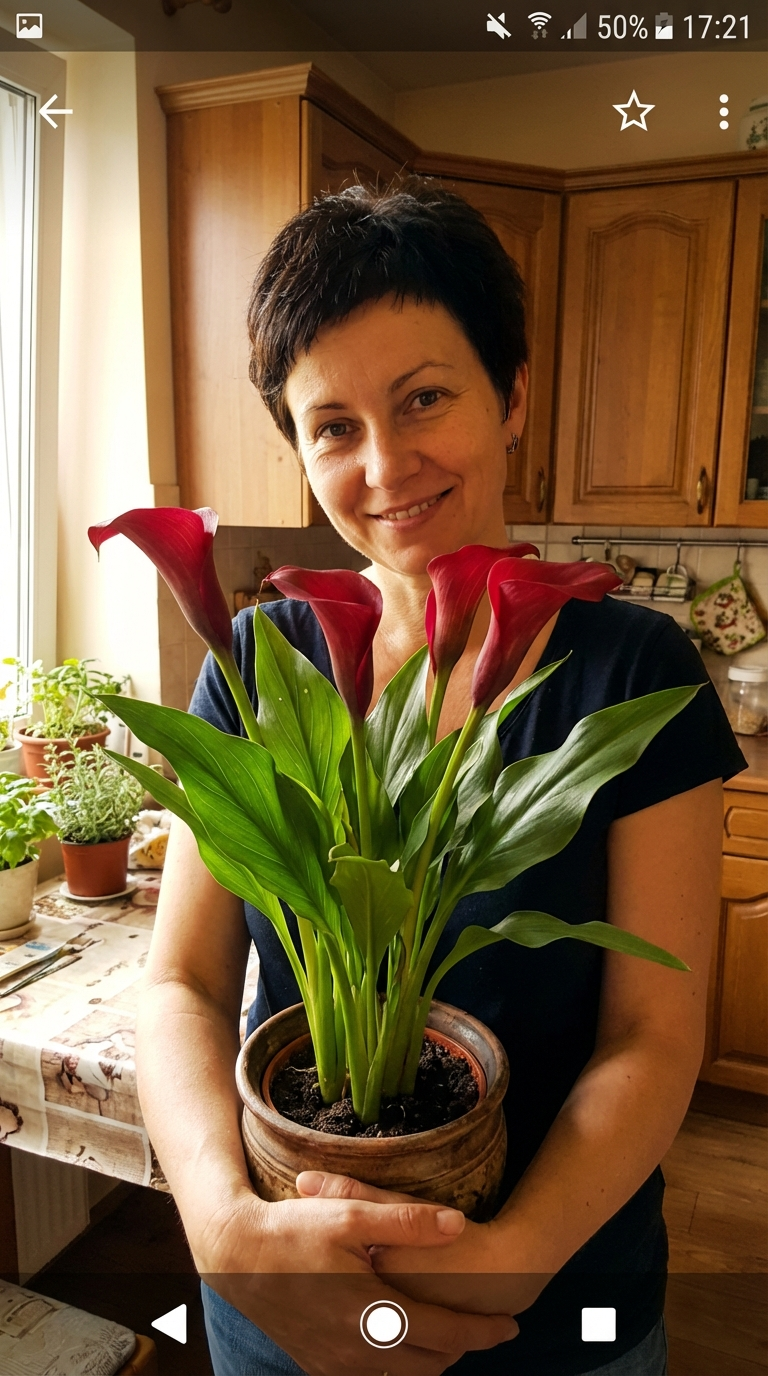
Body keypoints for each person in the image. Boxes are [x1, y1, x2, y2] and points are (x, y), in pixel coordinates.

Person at [135, 179, 746, 1376]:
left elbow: (653, 1031)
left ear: (511, 396)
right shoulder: (258, 665)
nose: (385, 464)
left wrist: (510, 1257)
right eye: (333, 426)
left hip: (559, 1313)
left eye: (424, 398)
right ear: (299, 450)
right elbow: (182, 982)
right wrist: (221, 1228)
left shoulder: (634, 670)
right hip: (286, 1302)